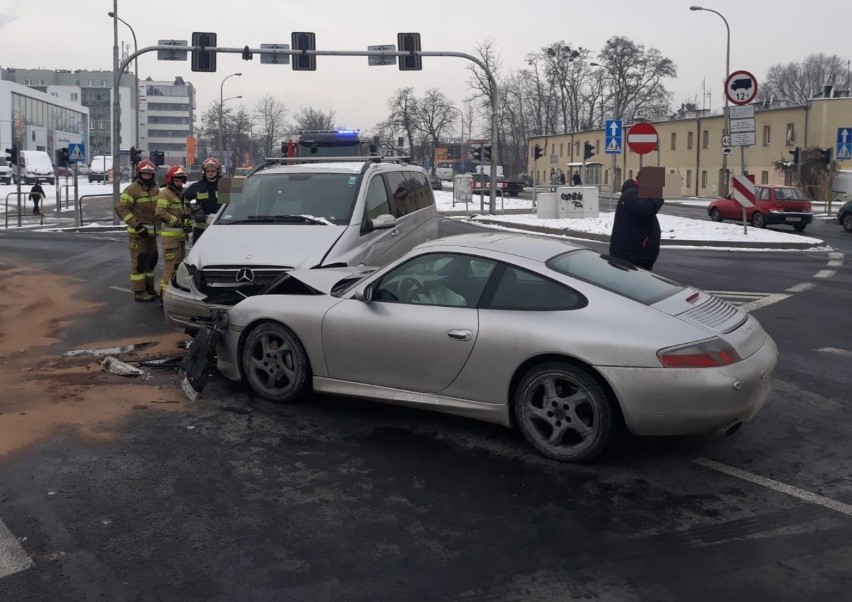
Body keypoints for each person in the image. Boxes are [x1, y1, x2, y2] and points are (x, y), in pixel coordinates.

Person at [115, 160, 160, 302]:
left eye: (149, 174)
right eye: (144, 173)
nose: (147, 176)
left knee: (151, 261)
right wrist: (136, 225)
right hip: (138, 234)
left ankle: (149, 288)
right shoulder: (132, 189)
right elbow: (121, 208)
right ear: (139, 173)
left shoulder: (155, 188)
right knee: (139, 262)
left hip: (151, 233)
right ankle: (139, 291)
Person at [609, 174, 664, 271]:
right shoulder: (630, 194)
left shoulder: (636, 194)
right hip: (629, 258)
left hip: (637, 256)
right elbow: (647, 208)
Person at [156, 165, 192, 297]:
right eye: (177, 180)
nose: (179, 183)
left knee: (179, 268)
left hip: (180, 238)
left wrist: (188, 220)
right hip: (170, 239)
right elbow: (160, 213)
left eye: (181, 180)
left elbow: (184, 211)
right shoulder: (165, 193)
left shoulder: (181, 194)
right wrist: (178, 222)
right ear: (170, 180)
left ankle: (173, 293)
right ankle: (164, 295)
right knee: (170, 268)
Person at [182, 157, 221, 244]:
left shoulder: (227, 185)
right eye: (208, 171)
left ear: (218, 171)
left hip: (220, 227)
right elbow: (184, 202)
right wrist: (187, 221)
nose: (210, 173)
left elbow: (237, 206)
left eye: (213, 171)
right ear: (204, 171)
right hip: (200, 228)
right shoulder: (196, 186)